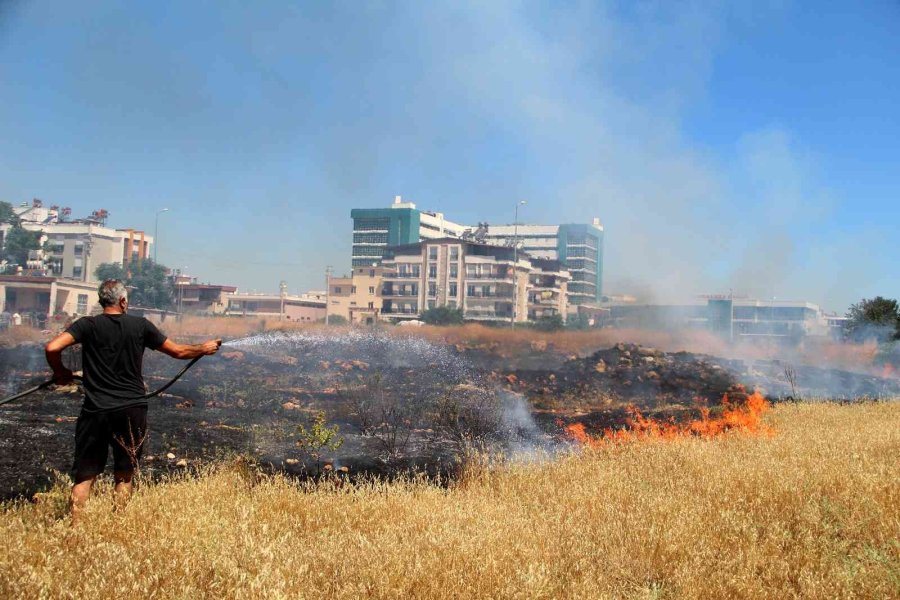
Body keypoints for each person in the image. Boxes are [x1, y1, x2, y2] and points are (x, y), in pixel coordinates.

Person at [44, 279, 221, 521]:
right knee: (124, 474)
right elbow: (179, 352)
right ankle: (119, 523)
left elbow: (52, 347)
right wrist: (204, 347)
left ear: (101, 301)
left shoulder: (87, 325)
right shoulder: (140, 326)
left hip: (96, 410)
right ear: (123, 301)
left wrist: (60, 373)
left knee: (85, 476)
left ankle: (75, 530)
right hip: (131, 410)